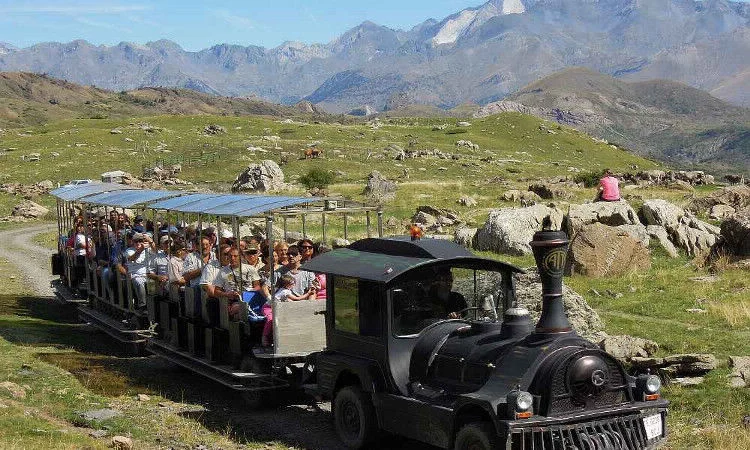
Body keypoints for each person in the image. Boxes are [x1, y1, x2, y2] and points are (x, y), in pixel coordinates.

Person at [262, 275, 316, 347]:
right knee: (271, 319)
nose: (294, 285)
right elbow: (297, 298)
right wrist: (308, 293)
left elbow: (286, 300)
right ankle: (264, 337)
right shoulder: (285, 291)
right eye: (292, 284)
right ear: (286, 284)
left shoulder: (283, 290)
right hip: (268, 308)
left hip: (277, 307)